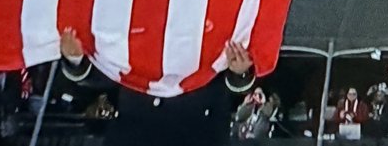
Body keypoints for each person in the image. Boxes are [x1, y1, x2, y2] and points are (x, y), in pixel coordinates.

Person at [58, 26, 255, 146]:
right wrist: (241, 72)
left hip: (193, 130)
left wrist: (76, 61)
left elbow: (103, 78)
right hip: (144, 124)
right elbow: (234, 93)